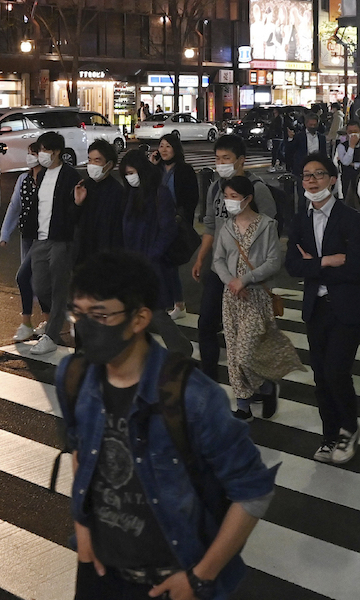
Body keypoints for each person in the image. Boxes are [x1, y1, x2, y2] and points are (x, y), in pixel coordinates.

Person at [57, 250, 277, 600]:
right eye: (78, 313)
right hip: (100, 574)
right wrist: (84, 536)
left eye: (100, 315)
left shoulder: (192, 395)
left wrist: (199, 577)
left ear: (140, 318)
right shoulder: (74, 377)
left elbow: (253, 489)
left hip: (170, 583)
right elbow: (79, 448)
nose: (85, 327)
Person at [284, 153, 360, 465]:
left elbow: (359, 268)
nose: (311, 181)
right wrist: (327, 261)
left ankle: (349, 428)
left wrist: (314, 266)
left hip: (348, 306)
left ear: (333, 179)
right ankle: (329, 433)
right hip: (316, 306)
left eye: (318, 175)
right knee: (321, 375)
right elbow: (292, 265)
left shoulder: (352, 219)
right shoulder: (300, 219)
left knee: (337, 371)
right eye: (306, 175)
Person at [212, 176, 302, 420]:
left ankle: (266, 387)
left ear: (248, 198)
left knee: (246, 353)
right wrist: (231, 281)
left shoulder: (266, 225)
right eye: (226, 196)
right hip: (231, 297)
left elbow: (274, 262)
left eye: (233, 197)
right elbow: (218, 259)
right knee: (233, 353)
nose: (228, 201)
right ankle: (243, 405)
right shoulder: (227, 227)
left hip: (256, 297)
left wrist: (245, 279)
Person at [192, 135, 277, 382]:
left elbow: (270, 229)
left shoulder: (257, 189)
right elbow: (210, 227)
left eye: (226, 158)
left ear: (241, 160)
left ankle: (263, 384)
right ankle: (209, 377)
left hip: (249, 273)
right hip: (220, 270)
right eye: (217, 158)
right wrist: (200, 259)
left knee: (250, 332)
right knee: (206, 323)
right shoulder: (214, 188)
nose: (220, 164)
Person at [117, 149, 193, 357]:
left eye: (131, 172)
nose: (129, 177)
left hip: (150, 264)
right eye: (126, 174)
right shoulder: (131, 194)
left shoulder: (160, 194)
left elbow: (168, 230)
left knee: (154, 310)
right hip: (133, 263)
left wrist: (151, 256)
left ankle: (178, 348)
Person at [24, 131, 81, 355]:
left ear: (56, 151)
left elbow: (74, 209)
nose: (41, 154)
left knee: (58, 287)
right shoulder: (43, 175)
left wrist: (76, 206)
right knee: (39, 285)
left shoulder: (69, 176)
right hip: (41, 238)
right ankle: (70, 313)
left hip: (61, 239)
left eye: (45, 150)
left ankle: (51, 335)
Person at [0, 142, 46, 341]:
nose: (30, 157)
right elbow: (14, 206)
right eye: (29, 153)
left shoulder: (49, 179)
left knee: (27, 277)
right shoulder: (23, 179)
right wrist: (5, 233)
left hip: (44, 237)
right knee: (34, 278)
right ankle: (44, 321)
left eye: (33, 153)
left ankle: (30, 322)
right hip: (26, 234)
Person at [153, 132, 198, 319]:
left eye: (168, 146)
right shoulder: (157, 169)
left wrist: (182, 217)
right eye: (161, 146)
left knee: (170, 264)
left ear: (175, 149)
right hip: (158, 222)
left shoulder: (184, 170)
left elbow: (191, 198)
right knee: (161, 264)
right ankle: (171, 302)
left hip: (176, 223)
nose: (163, 150)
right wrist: (151, 165)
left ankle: (177, 304)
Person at [72, 139, 125, 264]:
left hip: (106, 257)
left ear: (109, 164)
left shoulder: (117, 191)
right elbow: (73, 220)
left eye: (97, 160)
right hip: (84, 253)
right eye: (90, 160)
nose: (92, 165)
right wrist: (78, 203)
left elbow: (118, 230)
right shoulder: (84, 186)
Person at [285, 111, 324, 181]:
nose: (313, 127)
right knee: (301, 189)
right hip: (302, 168)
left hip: (317, 168)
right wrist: (290, 138)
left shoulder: (321, 137)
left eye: (315, 125)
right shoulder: (299, 136)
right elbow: (290, 150)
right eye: (311, 124)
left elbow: (323, 153)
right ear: (306, 124)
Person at [333, 122, 360, 198]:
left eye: (355, 131)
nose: (353, 134)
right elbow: (346, 162)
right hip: (348, 179)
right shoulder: (341, 146)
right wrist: (351, 146)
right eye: (350, 132)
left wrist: (354, 164)